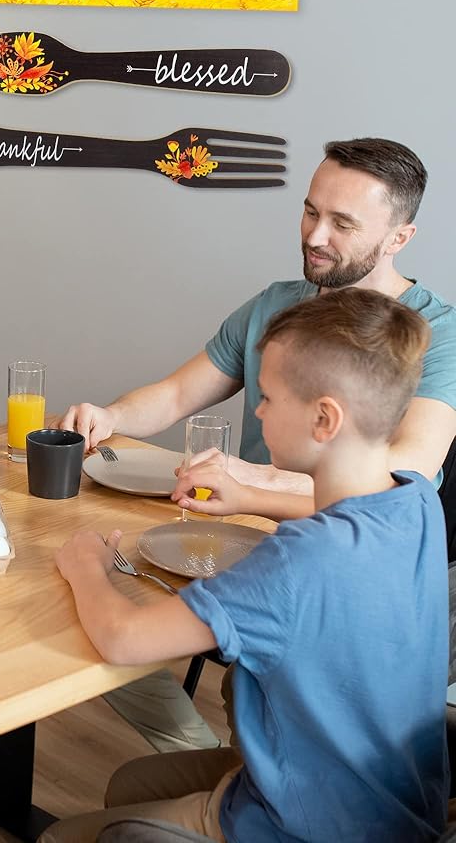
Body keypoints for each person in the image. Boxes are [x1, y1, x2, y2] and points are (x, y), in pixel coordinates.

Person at [58, 137, 456, 753]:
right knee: (105, 602)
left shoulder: (435, 334)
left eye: (343, 223)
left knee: (103, 607)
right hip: (244, 532)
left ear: (400, 237)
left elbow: (409, 469)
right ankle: (217, 761)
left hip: (299, 559)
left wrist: (252, 481)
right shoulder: (277, 305)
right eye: (310, 211)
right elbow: (177, 393)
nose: (315, 235)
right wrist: (111, 416)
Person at [44, 288, 449, 842]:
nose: (257, 411)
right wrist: (251, 497)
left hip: (302, 827)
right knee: (131, 784)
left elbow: (123, 638)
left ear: (324, 419)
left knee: (61, 836)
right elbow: (344, 514)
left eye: (268, 398)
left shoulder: (296, 563)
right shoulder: (416, 500)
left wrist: (86, 564)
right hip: (394, 805)